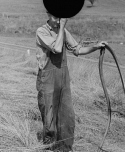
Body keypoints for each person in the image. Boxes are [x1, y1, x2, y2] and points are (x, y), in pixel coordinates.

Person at [36, 11, 108, 152]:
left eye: (60, 18)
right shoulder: (41, 31)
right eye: (55, 17)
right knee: (49, 120)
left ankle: (64, 148)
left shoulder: (64, 31)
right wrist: (62, 27)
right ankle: (49, 147)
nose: (58, 21)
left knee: (67, 116)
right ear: (48, 14)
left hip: (63, 78)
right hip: (47, 79)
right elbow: (56, 48)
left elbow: (77, 49)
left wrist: (96, 46)